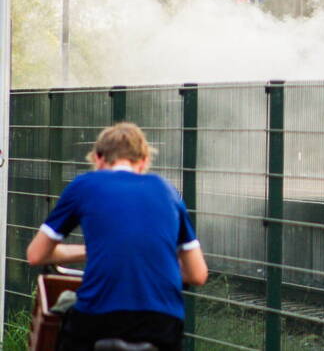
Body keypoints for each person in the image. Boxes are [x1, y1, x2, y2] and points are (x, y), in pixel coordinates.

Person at [26, 122, 208, 351]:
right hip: (162, 323)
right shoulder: (168, 191)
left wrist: (92, 251)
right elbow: (198, 274)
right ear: (142, 162)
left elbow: (36, 254)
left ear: (98, 158)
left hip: (100, 318)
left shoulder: (84, 185)